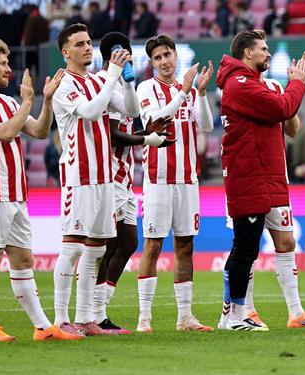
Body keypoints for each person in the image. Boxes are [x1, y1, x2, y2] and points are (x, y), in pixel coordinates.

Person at [216, 30, 305, 330]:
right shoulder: (239, 84)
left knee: (282, 241)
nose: (268, 54)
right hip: (249, 175)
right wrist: (297, 85)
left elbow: (290, 125)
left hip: (272, 176)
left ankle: (294, 313)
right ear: (247, 53)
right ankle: (238, 314)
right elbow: (281, 108)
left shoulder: (266, 85)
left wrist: (287, 93)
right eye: (263, 49)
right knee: (245, 247)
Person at [0, 40, 81, 342]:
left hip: (16, 195)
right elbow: (4, 133)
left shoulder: (8, 103)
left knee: (23, 259)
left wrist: (46, 101)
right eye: (3, 63)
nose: (9, 69)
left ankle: (42, 328)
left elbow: (38, 131)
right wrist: (27, 101)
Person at [51, 23, 139, 336]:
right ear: (65, 52)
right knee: (73, 247)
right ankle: (60, 320)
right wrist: (113, 75)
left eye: (88, 42)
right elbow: (89, 112)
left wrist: (127, 81)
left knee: (96, 250)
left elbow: (131, 111)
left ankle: (86, 318)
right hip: (79, 174)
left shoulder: (98, 80)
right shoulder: (64, 84)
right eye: (79, 44)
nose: (87, 47)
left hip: (104, 175)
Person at [93, 32, 173, 334]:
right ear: (113, 54)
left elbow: (128, 124)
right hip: (107, 174)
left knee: (128, 242)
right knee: (108, 244)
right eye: (124, 52)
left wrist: (148, 131)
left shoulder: (125, 86)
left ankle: (100, 307)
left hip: (124, 176)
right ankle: (94, 312)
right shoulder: (104, 83)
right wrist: (147, 139)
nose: (128, 56)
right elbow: (113, 134)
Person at [135, 34, 214, 333]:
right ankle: (144, 318)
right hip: (158, 180)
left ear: (176, 56)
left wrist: (201, 93)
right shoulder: (146, 88)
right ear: (152, 63)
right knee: (153, 245)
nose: (164, 61)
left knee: (185, 245)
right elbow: (153, 121)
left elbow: (206, 125)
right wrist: (182, 92)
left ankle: (185, 317)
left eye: (167, 54)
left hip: (188, 180)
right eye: (158, 58)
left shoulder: (190, 91)